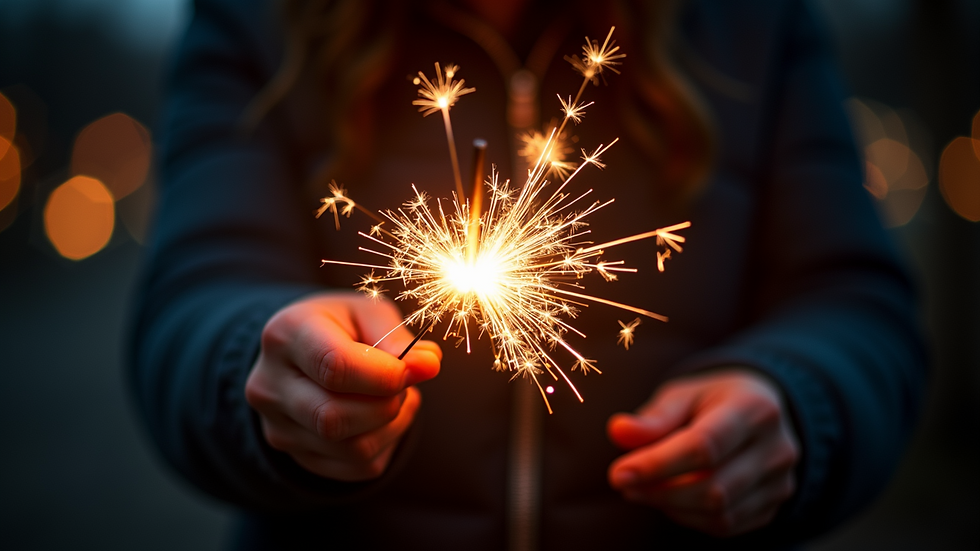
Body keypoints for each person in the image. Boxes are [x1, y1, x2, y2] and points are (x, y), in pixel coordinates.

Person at [130, 0, 927, 549]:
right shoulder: (255, 20)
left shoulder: (752, 22)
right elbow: (193, 296)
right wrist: (259, 368)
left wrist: (796, 398)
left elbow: (857, 302)